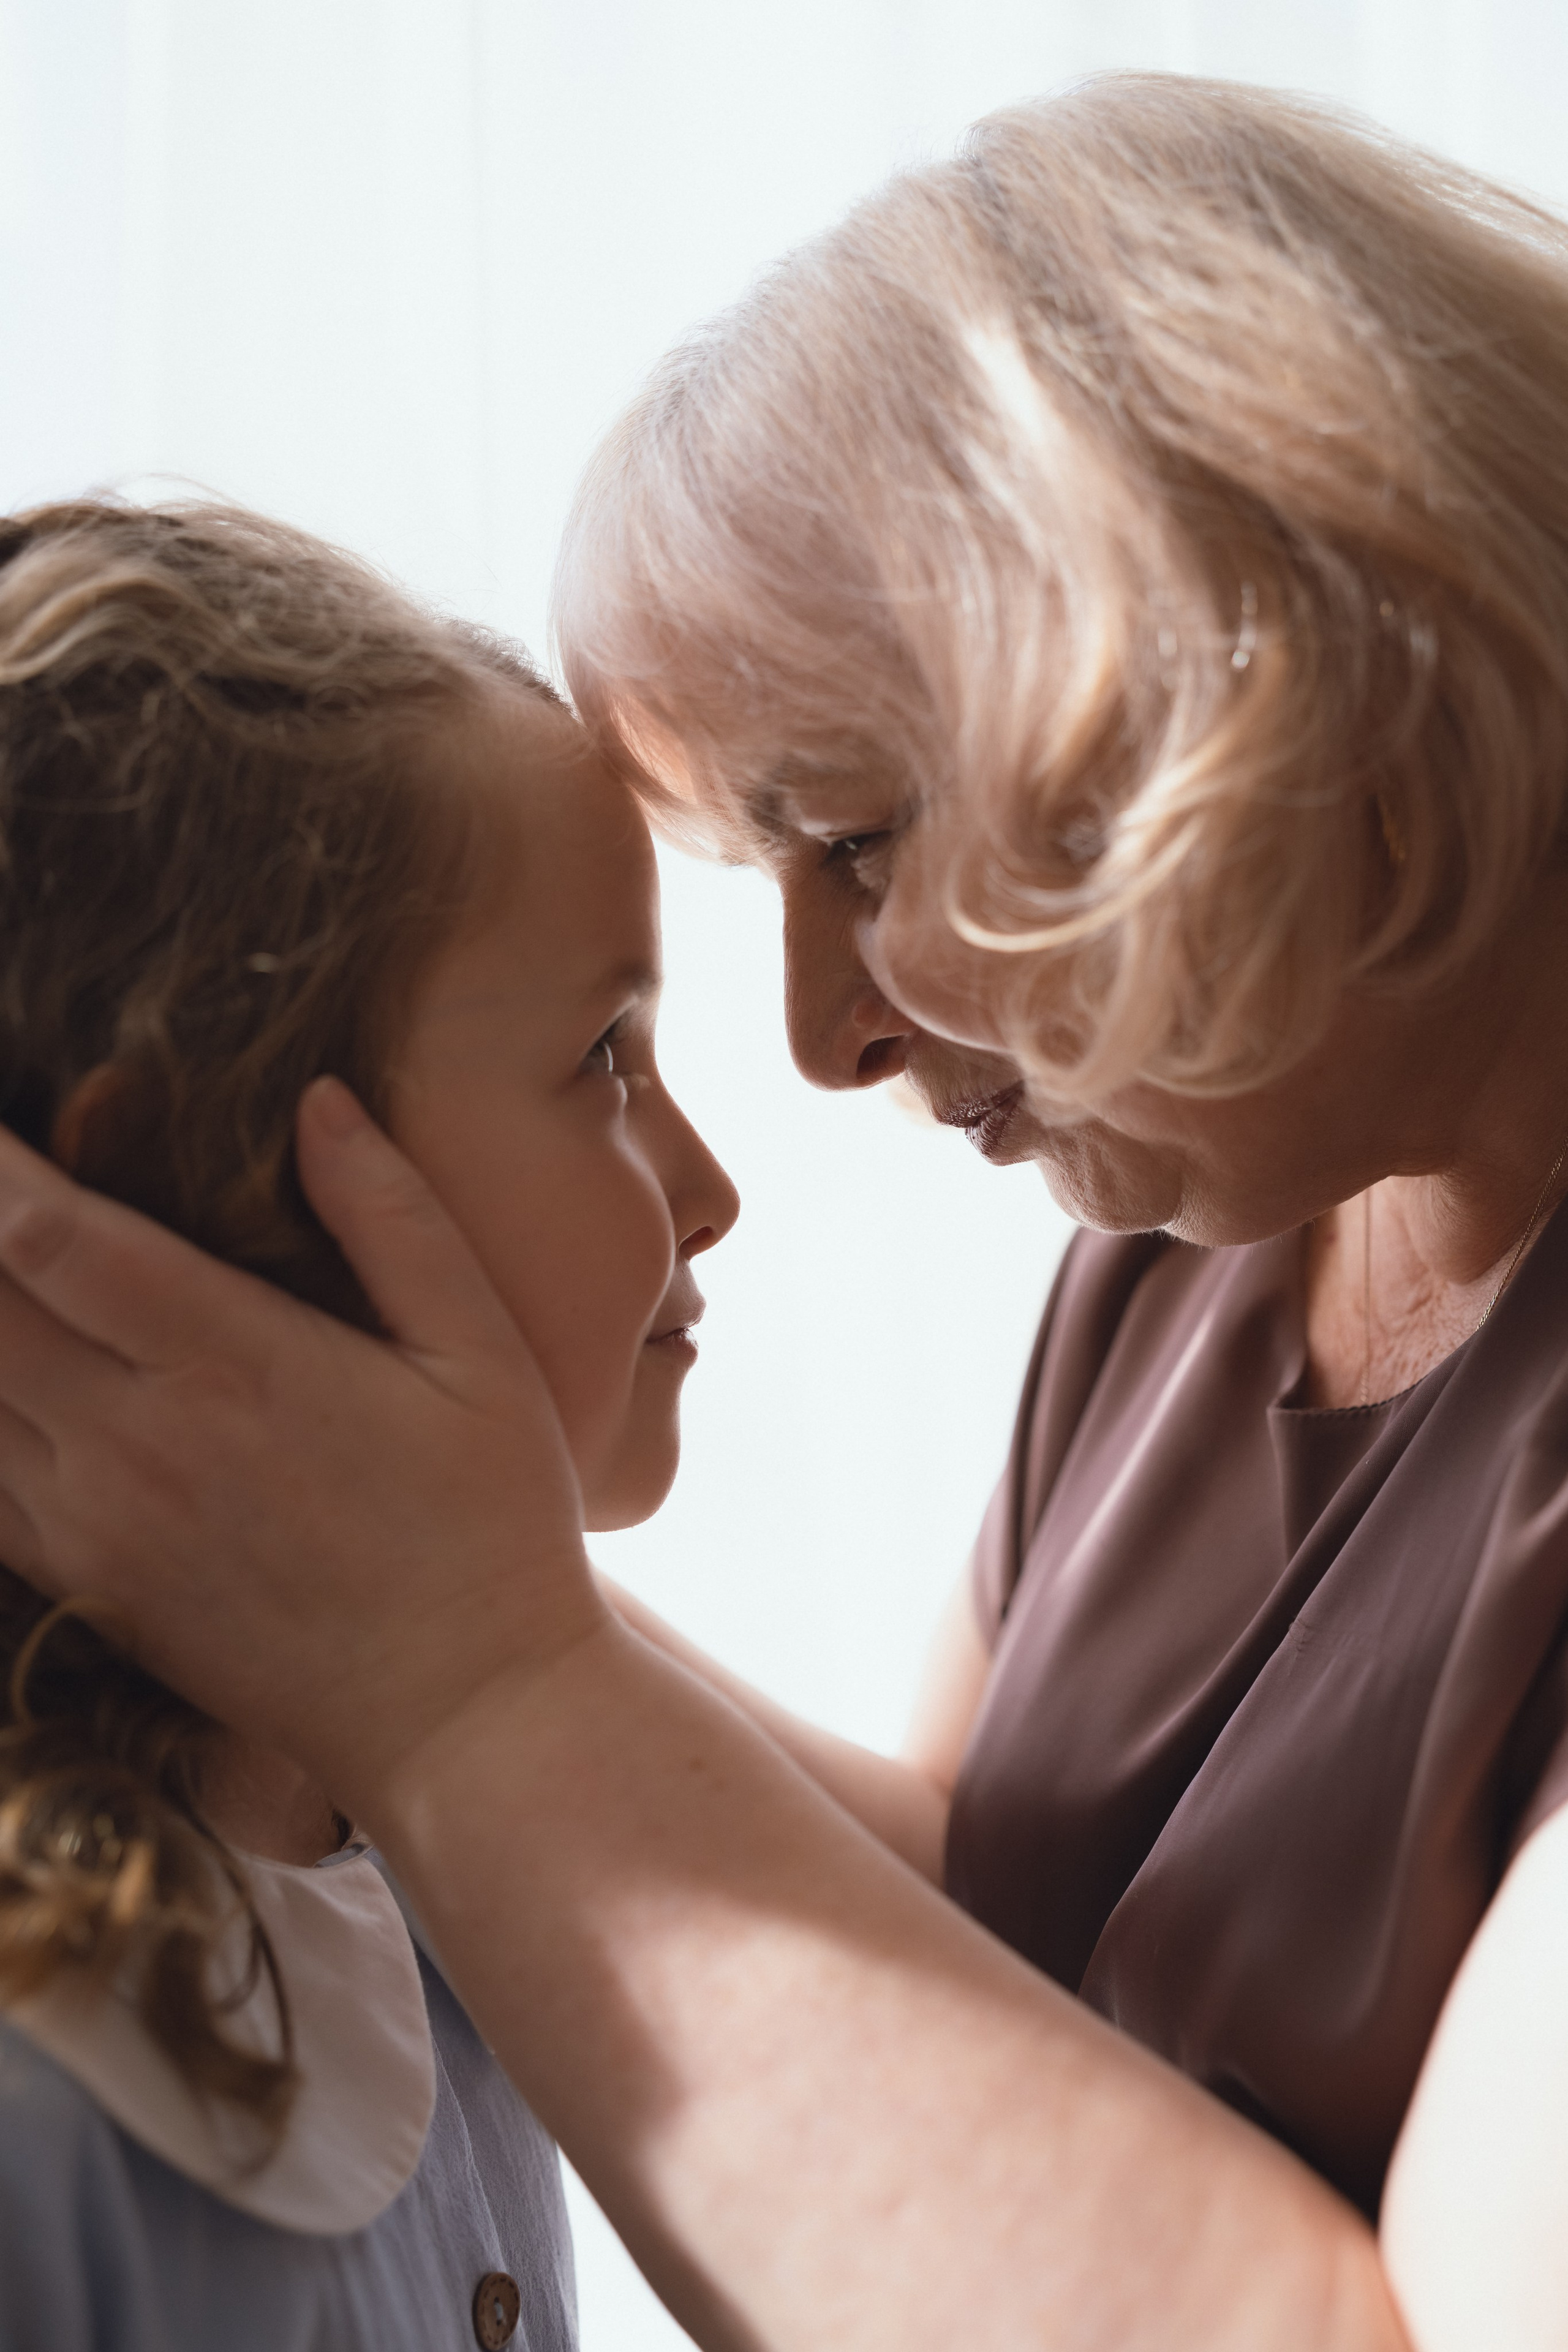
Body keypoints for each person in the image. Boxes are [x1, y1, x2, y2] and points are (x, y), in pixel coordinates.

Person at [0, 70, 1566, 2352]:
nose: (821, 1044)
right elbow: (1002, 1922)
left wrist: (473, 1687)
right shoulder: (1204, 1244)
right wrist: (352, 1528)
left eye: (853, 839)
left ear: (1264, 697)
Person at [0, 497, 735, 2351]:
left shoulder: (440, 1880)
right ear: (188, 1183)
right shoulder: (37, 2121)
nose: (708, 1188)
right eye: (607, 1062)